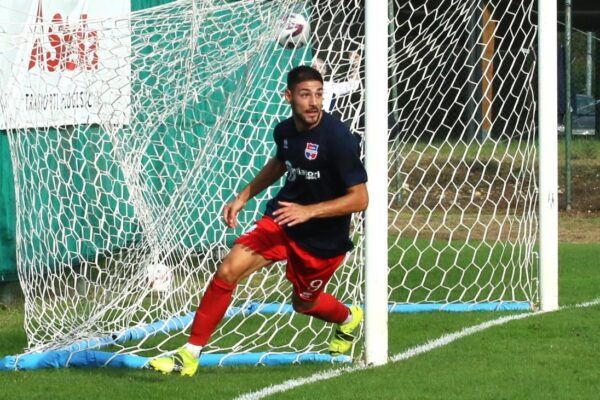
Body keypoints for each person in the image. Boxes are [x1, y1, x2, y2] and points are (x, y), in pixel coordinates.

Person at [150, 65, 369, 377]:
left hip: (323, 240)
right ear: (289, 96)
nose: (314, 103)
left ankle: (348, 318)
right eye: (306, 95)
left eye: (319, 95)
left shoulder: (339, 140)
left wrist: (309, 211)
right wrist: (244, 196)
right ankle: (190, 353)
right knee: (228, 270)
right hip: (282, 220)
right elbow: (281, 162)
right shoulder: (284, 131)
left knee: (304, 304)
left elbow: (360, 199)